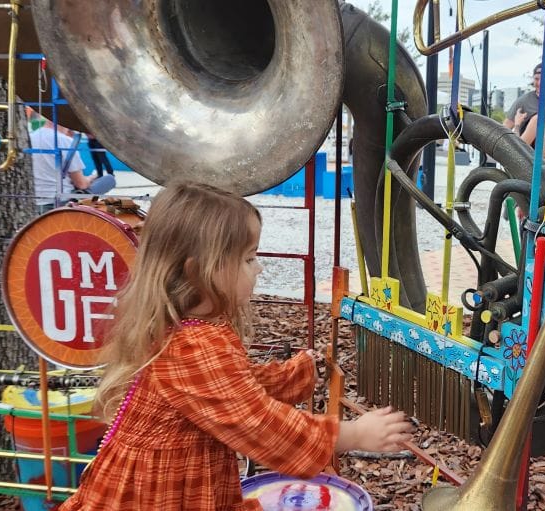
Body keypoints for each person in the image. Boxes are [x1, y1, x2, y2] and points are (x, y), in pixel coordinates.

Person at [59, 181, 414, 510]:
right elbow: (257, 423)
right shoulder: (194, 345)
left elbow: (235, 390)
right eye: (248, 258)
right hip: (156, 498)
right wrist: (353, 434)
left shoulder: (185, 331)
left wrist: (301, 371)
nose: (258, 269)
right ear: (198, 270)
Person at [31, 123, 116, 214]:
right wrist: (91, 178)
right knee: (109, 180)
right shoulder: (65, 141)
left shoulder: (31, 137)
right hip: (63, 202)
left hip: (35, 201)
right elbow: (81, 184)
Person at [504, 62, 545, 132]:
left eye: (544, 79)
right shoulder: (523, 101)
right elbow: (505, 129)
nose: (540, 83)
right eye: (536, 79)